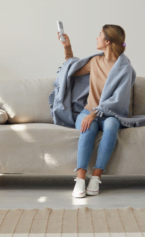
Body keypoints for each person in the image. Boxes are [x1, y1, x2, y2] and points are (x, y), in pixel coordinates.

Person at [56, 25, 127, 198]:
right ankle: (80, 179)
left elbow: (118, 100)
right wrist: (67, 47)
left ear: (107, 41)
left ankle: (96, 177)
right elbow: (70, 71)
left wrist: (94, 114)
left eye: (99, 35)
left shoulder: (125, 68)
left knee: (111, 125)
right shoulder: (95, 62)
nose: (97, 38)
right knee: (89, 127)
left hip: (111, 114)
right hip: (87, 112)